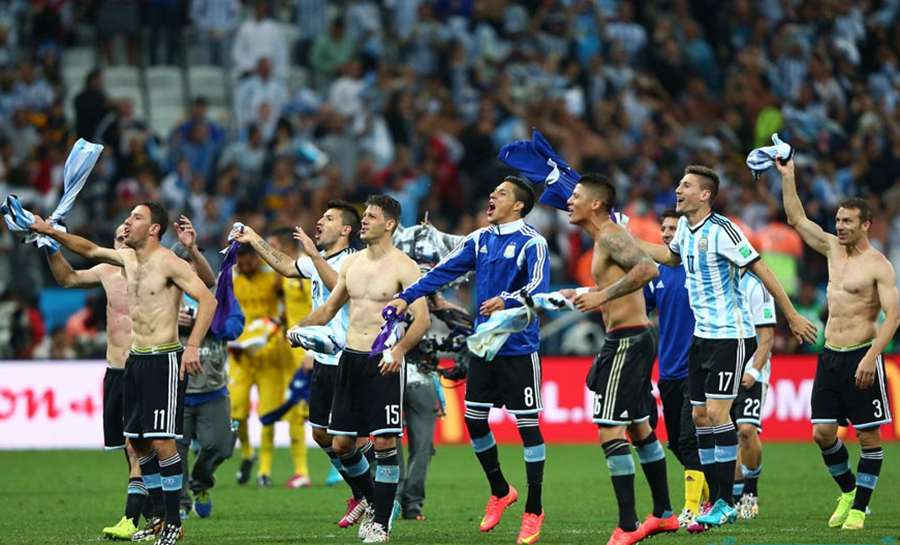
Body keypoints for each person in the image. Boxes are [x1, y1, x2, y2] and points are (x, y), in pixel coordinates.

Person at [634, 165, 816, 531]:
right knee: (701, 417)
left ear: (705, 195)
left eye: (685, 185)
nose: (677, 189)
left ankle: (725, 500)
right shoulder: (685, 228)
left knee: (718, 415)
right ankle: (714, 500)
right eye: (678, 183)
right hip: (700, 339)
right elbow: (670, 257)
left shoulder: (723, 230)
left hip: (730, 338)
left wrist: (791, 315)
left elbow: (761, 269)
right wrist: (621, 238)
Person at [31, 202, 218, 545]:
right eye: (129, 216)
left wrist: (192, 346)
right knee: (138, 443)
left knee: (162, 442)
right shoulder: (127, 260)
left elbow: (209, 299)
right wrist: (49, 233)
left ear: (154, 229)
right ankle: (159, 518)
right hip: (134, 361)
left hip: (164, 359)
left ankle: (175, 522)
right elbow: (86, 249)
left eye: (136, 217)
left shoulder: (169, 263)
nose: (128, 222)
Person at [386, 177, 550, 545]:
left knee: (527, 430)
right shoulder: (479, 239)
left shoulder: (532, 242)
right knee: (476, 423)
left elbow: (539, 288)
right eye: (492, 191)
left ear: (519, 205)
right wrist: (406, 297)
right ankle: (500, 490)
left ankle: (534, 509)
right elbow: (442, 273)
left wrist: (506, 301)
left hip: (519, 348)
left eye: (502, 193)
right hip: (483, 347)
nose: (492, 195)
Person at [232, 201, 375, 527]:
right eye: (321, 216)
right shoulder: (318, 261)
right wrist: (254, 239)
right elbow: (284, 264)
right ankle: (364, 493)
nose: (320, 222)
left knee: (345, 441)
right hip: (323, 359)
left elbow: (340, 288)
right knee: (322, 436)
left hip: (347, 358)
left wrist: (312, 254)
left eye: (329, 218)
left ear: (346, 229)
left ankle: (377, 499)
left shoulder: (356, 260)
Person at [299, 195, 431, 543]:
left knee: (384, 441)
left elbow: (422, 319)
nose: (364, 221)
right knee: (341, 444)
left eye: (372, 216)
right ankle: (374, 500)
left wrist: (399, 351)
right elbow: (328, 310)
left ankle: (381, 524)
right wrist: (299, 328)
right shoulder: (351, 264)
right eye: (364, 216)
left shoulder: (404, 266)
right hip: (350, 360)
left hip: (383, 361)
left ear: (389, 224)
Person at [777, 157, 899, 530]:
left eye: (848, 221)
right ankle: (848, 489)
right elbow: (797, 219)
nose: (840, 226)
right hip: (829, 356)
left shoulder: (879, 265)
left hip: (862, 355)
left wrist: (872, 358)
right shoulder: (831, 249)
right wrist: (788, 176)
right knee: (821, 433)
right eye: (838, 220)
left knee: (867, 436)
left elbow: (893, 317)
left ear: (866, 225)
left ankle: (860, 508)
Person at [561, 175, 676, 545]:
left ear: (596, 204)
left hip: (627, 340)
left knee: (609, 430)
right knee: (639, 427)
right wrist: (586, 293)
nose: (569, 200)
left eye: (576, 196)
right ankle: (664, 514)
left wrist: (601, 296)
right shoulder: (603, 237)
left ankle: (627, 528)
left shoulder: (610, 235)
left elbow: (648, 269)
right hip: (633, 337)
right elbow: (623, 279)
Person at [44, 225, 148, 540]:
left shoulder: (150, 273)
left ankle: (132, 518)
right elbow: (67, 279)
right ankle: (157, 508)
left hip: (142, 370)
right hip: (114, 371)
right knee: (126, 448)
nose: (121, 238)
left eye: (126, 235)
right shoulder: (105, 271)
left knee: (137, 448)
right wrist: (51, 248)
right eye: (117, 236)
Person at [643, 209, 707, 527]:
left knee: (687, 440)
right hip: (666, 369)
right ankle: (714, 491)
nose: (667, 233)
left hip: (696, 368)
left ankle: (692, 508)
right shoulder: (657, 273)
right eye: (664, 228)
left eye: (673, 228)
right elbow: (638, 307)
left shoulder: (699, 269)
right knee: (674, 443)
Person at [173, 238, 244, 520]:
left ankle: (201, 483)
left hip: (213, 388)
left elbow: (236, 325)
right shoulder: (168, 293)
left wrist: (207, 325)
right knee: (174, 450)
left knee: (221, 446)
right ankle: (180, 501)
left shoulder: (218, 294)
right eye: (188, 261)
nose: (193, 266)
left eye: (197, 260)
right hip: (177, 387)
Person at [228, 243, 304, 487]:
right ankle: (248, 453)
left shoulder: (274, 278)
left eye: (248, 257)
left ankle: (264, 471)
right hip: (240, 355)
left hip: (270, 353)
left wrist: (278, 324)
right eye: (240, 258)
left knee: (268, 413)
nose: (245, 263)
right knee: (236, 411)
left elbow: (288, 309)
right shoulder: (229, 280)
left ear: (257, 257)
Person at [265, 227, 313, 489]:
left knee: (319, 411)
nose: (268, 253)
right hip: (291, 350)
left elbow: (319, 309)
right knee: (296, 412)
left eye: (272, 246)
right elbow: (290, 312)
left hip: (309, 351)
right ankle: (301, 470)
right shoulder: (284, 277)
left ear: (285, 245)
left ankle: (339, 467)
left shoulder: (305, 273)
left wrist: (311, 351)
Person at [730, 267, 776, 520]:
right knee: (727, 436)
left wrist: (754, 370)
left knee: (746, 430)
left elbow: (767, 337)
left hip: (751, 370)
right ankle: (734, 498)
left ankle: (750, 490)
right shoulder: (716, 282)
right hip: (723, 366)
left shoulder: (757, 286)